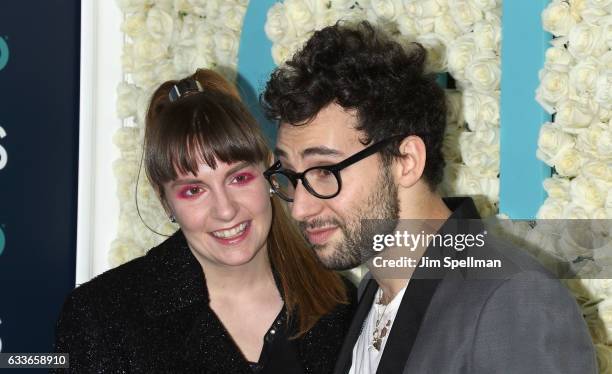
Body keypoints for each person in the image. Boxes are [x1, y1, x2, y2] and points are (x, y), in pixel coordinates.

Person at [261, 21, 597, 373]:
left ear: (407, 161)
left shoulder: (513, 299)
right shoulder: (372, 291)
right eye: (290, 175)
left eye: (325, 171)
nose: (299, 207)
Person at [53, 69, 355, 373]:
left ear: (268, 174)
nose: (224, 210)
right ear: (166, 200)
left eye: (239, 177)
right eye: (194, 190)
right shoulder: (100, 318)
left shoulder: (340, 305)